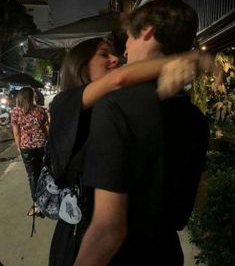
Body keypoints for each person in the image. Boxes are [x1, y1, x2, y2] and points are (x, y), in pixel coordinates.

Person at [47, 33, 211, 266]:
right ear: (81, 67)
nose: (116, 58)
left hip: (145, 247)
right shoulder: (65, 103)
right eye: (104, 54)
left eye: (115, 53)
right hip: (84, 242)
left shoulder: (135, 109)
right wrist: (186, 59)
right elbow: (119, 79)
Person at [11, 87, 49, 216]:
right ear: (32, 96)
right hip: (42, 145)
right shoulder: (41, 110)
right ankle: (47, 200)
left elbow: (16, 132)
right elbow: (46, 129)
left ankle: (37, 205)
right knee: (44, 173)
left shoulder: (16, 112)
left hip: (26, 147)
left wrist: (18, 146)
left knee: (33, 176)